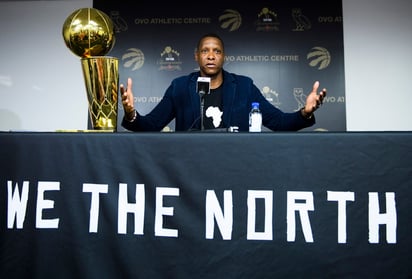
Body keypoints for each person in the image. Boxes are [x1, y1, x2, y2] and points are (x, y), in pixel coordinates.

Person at [120, 33, 326, 132]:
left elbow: (279, 122)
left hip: (235, 168)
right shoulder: (180, 87)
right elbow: (151, 125)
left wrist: (305, 112)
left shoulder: (244, 87)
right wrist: (130, 114)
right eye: (205, 51)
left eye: (216, 51)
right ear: (196, 56)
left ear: (224, 56)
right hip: (189, 170)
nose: (211, 56)